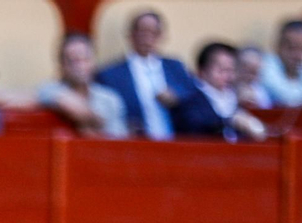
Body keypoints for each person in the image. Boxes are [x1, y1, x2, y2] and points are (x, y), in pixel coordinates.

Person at [96, 9, 194, 140]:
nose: (148, 37)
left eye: (153, 32)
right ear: (131, 34)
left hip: (175, 143)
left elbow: (192, 93)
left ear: (161, 36)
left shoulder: (175, 67)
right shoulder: (111, 74)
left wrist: (175, 95)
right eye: (142, 31)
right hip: (135, 144)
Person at [171, 41, 268, 141]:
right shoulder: (189, 96)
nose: (228, 76)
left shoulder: (234, 96)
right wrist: (231, 121)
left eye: (231, 70)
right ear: (202, 70)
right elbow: (196, 124)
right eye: (222, 70)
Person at [37, 34, 128, 137]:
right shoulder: (50, 90)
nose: (79, 66)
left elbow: (119, 140)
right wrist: (96, 121)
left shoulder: (110, 99)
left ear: (93, 62)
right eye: (72, 61)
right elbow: (72, 107)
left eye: (85, 59)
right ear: (62, 66)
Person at [259, 19, 302, 107]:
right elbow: (286, 97)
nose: (298, 55)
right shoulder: (266, 65)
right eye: (292, 48)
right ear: (278, 46)